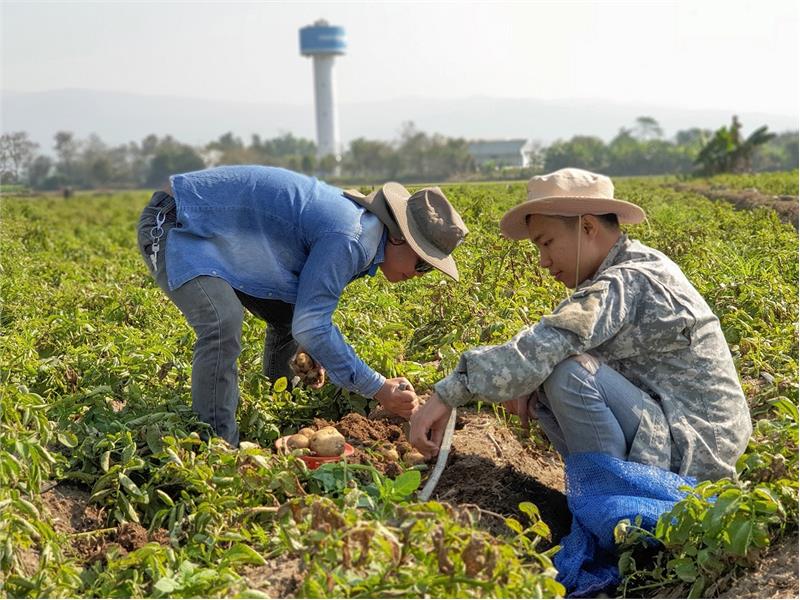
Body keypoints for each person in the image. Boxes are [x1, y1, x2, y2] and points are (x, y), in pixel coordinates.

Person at [410, 167, 751, 482]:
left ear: (588, 227)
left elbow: (551, 340)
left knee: (568, 373)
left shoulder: (627, 279)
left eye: (546, 243)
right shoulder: (635, 265)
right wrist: (531, 381)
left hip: (695, 455)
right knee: (551, 372)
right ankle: (607, 498)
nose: (543, 261)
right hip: (686, 436)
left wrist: (450, 392)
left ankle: (617, 509)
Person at [137, 165, 468, 446]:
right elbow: (313, 324)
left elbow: (306, 315)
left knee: (288, 314)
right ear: (398, 237)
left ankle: (277, 401)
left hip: (221, 234)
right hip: (178, 219)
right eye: (422, 263)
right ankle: (217, 444)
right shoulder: (351, 238)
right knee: (222, 322)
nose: (419, 274)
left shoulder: (363, 233)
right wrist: (378, 387)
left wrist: (318, 351)